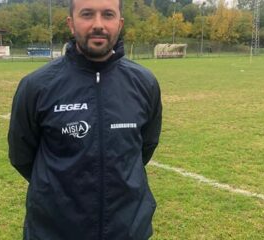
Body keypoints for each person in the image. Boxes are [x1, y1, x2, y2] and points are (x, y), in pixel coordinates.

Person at [8, 0, 162, 239]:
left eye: (108, 15)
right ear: (71, 23)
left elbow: (145, 147)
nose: (98, 24)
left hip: (127, 230)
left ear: (119, 24)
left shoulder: (145, 83)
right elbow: (22, 156)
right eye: (87, 14)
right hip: (55, 232)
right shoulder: (36, 86)